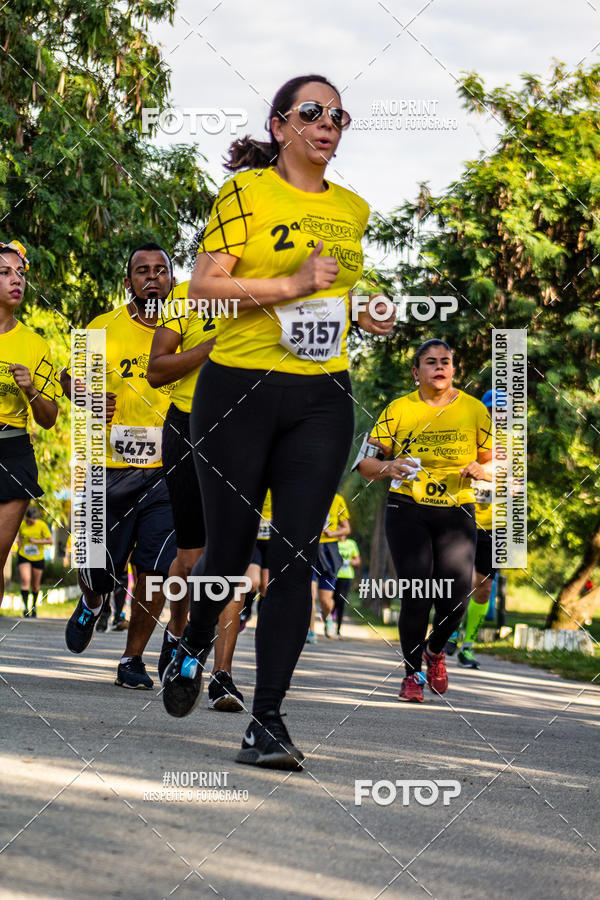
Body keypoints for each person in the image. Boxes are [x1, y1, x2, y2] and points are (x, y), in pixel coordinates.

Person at [161, 73, 393, 770]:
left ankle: (267, 722)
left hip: (322, 394)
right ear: (281, 124)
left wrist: (366, 311)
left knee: (293, 555)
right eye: (313, 112)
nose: (328, 124)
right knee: (228, 555)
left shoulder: (354, 209)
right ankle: (196, 635)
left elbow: (337, 293)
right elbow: (205, 284)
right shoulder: (246, 192)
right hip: (238, 390)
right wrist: (290, 285)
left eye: (339, 115)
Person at [61, 243, 179, 690]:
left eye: (160, 270)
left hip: (166, 469)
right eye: (141, 271)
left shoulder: (186, 328)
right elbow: (70, 379)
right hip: (106, 468)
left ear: (171, 278)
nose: (152, 277)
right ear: (128, 281)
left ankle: (133, 660)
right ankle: (92, 602)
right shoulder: (102, 327)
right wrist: (85, 397)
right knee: (98, 568)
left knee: (154, 569)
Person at [358, 339, 492, 703]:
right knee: (417, 594)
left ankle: (435, 651)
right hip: (408, 508)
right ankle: (412, 673)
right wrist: (389, 466)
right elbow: (364, 465)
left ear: (454, 369)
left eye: (445, 362)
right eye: (431, 362)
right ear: (416, 372)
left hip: (457, 511)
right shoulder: (398, 410)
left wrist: (483, 468)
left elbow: (497, 463)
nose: (440, 368)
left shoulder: (475, 411)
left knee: (455, 598)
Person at [147, 279, 245, 711]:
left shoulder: (272, 292)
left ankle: (221, 674)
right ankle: (179, 632)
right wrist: (210, 347)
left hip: (245, 430)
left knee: (232, 554)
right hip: (186, 425)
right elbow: (156, 370)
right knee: (191, 556)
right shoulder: (185, 296)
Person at [0, 241, 58, 606]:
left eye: (20, 274)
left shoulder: (35, 345)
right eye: (4, 273)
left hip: (13, 451)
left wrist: (32, 390)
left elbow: (50, 419)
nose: (15, 280)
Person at [448, 389, 503, 668]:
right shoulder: (466, 438)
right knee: (463, 581)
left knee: (484, 588)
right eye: (492, 410)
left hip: (494, 527)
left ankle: (467, 647)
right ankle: (449, 632)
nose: (497, 416)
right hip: (463, 519)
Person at [309, 492, 350, 640]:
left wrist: (332, 533)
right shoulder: (309, 495)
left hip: (329, 552)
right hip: (311, 549)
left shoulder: (338, 500)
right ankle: (311, 631)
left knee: (325, 600)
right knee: (310, 595)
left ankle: (328, 618)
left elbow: (346, 529)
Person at [239, 490, 272, 632]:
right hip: (254, 541)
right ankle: (245, 613)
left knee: (266, 586)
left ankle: (263, 622)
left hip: (272, 542)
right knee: (252, 582)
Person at [17, 506, 53, 617]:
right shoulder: (22, 524)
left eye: (31, 521)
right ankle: (25, 608)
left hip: (38, 558)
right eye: (27, 520)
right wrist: (18, 543)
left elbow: (50, 541)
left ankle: (34, 607)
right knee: (25, 580)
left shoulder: (41, 525)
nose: (29, 522)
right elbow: (18, 536)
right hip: (24, 555)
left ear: (35, 518)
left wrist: (36, 541)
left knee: (36, 585)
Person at [333, 536, 361, 637]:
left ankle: (338, 629)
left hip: (347, 576)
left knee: (342, 601)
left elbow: (357, 561)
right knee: (334, 600)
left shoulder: (351, 543)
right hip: (334, 575)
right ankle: (330, 621)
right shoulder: (333, 542)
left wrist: (349, 562)